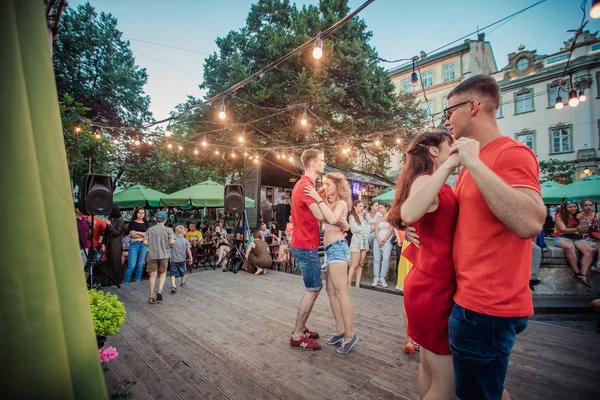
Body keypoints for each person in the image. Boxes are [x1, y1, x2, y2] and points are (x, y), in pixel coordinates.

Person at [407, 75, 546, 400]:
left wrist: (472, 161)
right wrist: (409, 226)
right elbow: (455, 219)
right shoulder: (470, 164)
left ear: (473, 107)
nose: (447, 121)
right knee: (481, 389)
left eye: (450, 111)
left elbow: (530, 222)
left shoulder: (511, 153)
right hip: (468, 301)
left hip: (488, 308)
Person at [389, 130, 459, 399]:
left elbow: (404, 214)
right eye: (448, 145)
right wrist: (450, 165)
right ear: (433, 151)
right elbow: (409, 211)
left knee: (429, 368)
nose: (453, 148)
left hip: (427, 283)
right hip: (436, 289)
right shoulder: (428, 180)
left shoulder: (428, 181)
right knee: (446, 386)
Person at [289, 149, 349, 351]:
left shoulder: (305, 184)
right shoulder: (306, 186)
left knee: (315, 287)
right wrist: (342, 222)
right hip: (305, 245)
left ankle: (302, 328)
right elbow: (321, 216)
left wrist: (321, 194)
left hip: (304, 243)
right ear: (313, 163)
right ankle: (297, 334)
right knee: (313, 288)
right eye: (322, 161)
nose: (325, 163)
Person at [305, 172, 358, 354]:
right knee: (331, 292)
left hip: (337, 248)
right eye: (324, 183)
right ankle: (340, 330)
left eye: (328, 184)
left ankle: (350, 335)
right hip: (330, 250)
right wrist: (320, 198)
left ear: (337, 185)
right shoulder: (332, 204)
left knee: (341, 293)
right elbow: (325, 217)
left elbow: (333, 219)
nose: (325, 186)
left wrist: (318, 199)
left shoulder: (342, 203)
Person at [553, 199, 594, 287]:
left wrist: (582, 224)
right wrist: (577, 229)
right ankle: (577, 272)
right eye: (570, 207)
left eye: (574, 206)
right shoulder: (559, 216)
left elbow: (585, 229)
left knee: (589, 250)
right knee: (569, 247)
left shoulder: (579, 216)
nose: (573, 208)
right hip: (561, 236)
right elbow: (563, 229)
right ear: (565, 208)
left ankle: (583, 274)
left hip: (576, 237)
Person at [144, 211, 175, 304]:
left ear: (155, 220)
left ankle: (151, 296)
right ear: (165, 220)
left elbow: (145, 242)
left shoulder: (149, 230)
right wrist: (167, 245)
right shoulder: (169, 230)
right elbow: (172, 242)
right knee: (163, 273)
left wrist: (152, 246)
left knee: (152, 275)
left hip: (152, 255)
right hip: (164, 254)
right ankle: (159, 290)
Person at [347, 200, 370, 288]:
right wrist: (364, 230)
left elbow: (368, 229)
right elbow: (356, 229)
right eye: (360, 206)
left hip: (364, 242)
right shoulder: (352, 217)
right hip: (356, 241)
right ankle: (349, 283)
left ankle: (357, 284)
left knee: (361, 263)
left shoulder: (362, 217)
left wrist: (364, 230)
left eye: (362, 206)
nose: (361, 208)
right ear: (355, 207)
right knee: (354, 264)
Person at [123, 208, 149, 283]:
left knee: (140, 264)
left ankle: (138, 281)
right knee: (131, 265)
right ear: (136, 213)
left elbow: (147, 234)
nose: (141, 214)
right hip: (134, 244)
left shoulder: (146, 223)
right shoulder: (132, 223)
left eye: (142, 213)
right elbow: (132, 234)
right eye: (139, 213)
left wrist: (137, 233)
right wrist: (142, 234)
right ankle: (126, 282)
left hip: (143, 245)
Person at [102, 204, 125, 286]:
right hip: (109, 241)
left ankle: (115, 281)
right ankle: (107, 282)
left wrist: (109, 224)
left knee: (115, 262)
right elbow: (106, 233)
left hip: (116, 242)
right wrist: (103, 243)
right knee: (107, 263)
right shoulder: (110, 219)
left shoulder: (120, 220)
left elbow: (117, 232)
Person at [372, 203, 393, 288]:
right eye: (379, 208)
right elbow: (376, 230)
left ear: (386, 208)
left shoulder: (390, 219)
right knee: (376, 259)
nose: (379, 209)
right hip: (377, 240)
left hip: (387, 241)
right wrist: (378, 240)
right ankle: (376, 276)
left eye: (381, 208)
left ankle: (382, 277)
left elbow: (390, 231)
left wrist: (383, 240)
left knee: (385, 259)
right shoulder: (378, 218)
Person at [169, 225, 192, 293]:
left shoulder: (173, 240)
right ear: (183, 232)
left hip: (173, 259)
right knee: (183, 271)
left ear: (175, 232)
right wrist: (190, 258)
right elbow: (188, 250)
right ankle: (182, 282)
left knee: (172, 273)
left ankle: (173, 285)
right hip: (182, 259)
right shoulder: (185, 241)